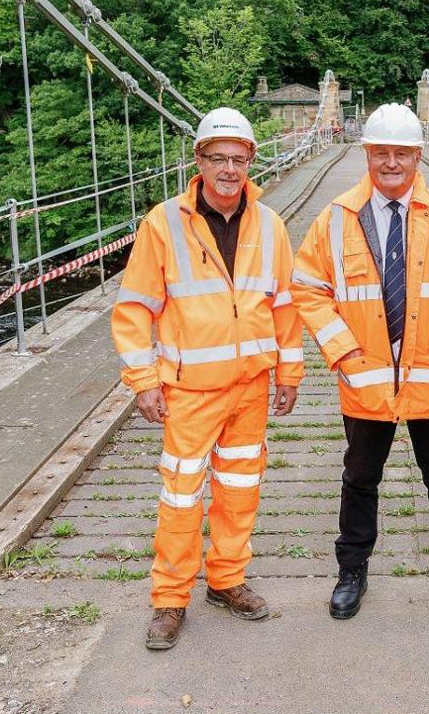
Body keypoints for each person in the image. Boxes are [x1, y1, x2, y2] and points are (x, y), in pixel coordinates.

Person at [291, 103, 429, 621]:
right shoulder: (335, 218)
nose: (390, 162)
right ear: (366, 153)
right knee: (360, 477)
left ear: (418, 155)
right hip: (367, 380)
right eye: (380, 152)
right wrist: (344, 354)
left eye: (401, 153)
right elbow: (309, 289)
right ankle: (352, 571)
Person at [111, 107, 304, 650]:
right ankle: (170, 599)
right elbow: (133, 310)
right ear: (198, 161)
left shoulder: (271, 224)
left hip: (251, 388)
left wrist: (289, 368)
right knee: (181, 495)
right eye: (217, 158)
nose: (228, 169)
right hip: (189, 390)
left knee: (240, 489)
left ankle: (225, 579)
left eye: (238, 159)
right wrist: (143, 379)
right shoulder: (163, 223)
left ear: (250, 163)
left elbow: (284, 305)